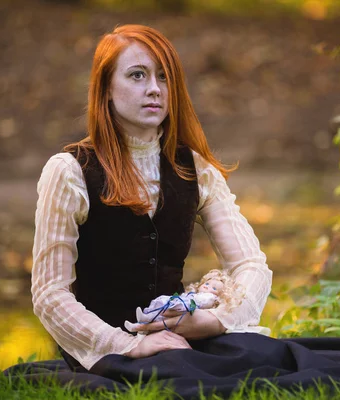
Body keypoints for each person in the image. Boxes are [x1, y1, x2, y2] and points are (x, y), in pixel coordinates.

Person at [31, 24, 272, 372]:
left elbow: (252, 265)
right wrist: (128, 345)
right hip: (106, 350)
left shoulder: (195, 168)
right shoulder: (69, 172)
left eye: (164, 77)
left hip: (180, 341)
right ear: (107, 89)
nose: (155, 89)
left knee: (272, 361)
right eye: (137, 75)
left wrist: (216, 320)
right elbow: (50, 294)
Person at [123, 269, 246, 332]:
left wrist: (183, 304)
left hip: (184, 312)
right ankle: (145, 318)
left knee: (161, 320)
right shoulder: (195, 293)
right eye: (207, 284)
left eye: (214, 288)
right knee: (160, 305)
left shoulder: (209, 298)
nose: (208, 287)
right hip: (179, 306)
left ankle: (139, 326)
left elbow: (197, 304)